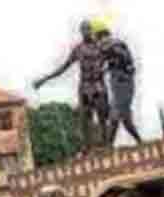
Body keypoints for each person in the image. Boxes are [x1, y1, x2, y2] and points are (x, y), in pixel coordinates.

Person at [34, 18, 111, 151]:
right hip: (85, 88)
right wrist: (44, 79)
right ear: (81, 32)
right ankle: (89, 149)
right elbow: (63, 67)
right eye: (83, 30)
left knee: (102, 118)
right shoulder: (78, 49)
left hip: (99, 86)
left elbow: (113, 62)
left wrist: (105, 70)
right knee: (86, 121)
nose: (86, 32)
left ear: (92, 30)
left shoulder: (101, 46)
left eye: (88, 29)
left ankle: (107, 146)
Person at [100, 23, 143, 144]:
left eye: (102, 38)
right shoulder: (109, 50)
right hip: (117, 86)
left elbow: (123, 58)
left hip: (124, 85)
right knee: (126, 121)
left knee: (115, 116)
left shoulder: (116, 45)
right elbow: (106, 63)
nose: (101, 42)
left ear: (106, 36)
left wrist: (107, 50)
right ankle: (140, 142)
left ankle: (108, 146)